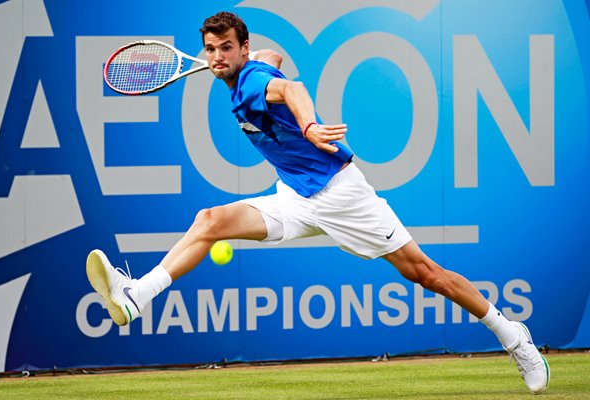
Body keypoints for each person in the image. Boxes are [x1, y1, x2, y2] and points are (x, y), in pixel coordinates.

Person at [86, 11, 549, 394]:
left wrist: (307, 126)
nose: (216, 56)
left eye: (226, 47)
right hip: (295, 196)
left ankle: (512, 335)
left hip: (342, 196)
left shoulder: (250, 88)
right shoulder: (255, 65)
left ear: (241, 49)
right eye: (210, 49)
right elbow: (275, 59)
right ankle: (137, 295)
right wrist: (263, 59)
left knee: (427, 274)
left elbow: (291, 90)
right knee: (209, 220)